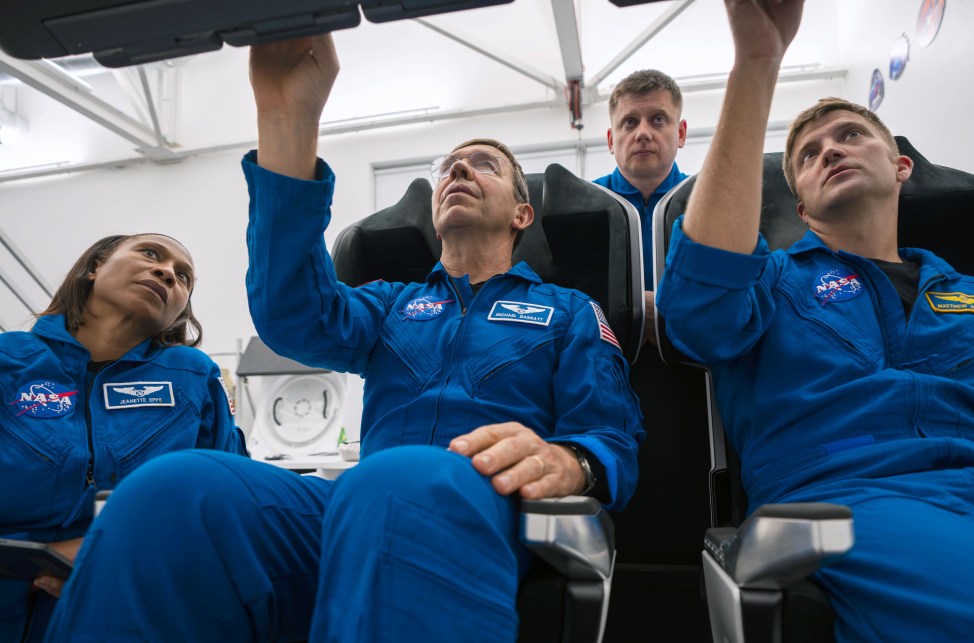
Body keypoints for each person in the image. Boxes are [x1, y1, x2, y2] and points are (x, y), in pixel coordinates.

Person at [44, 33, 644, 643]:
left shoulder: (568, 311)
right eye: (447, 168)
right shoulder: (392, 303)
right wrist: (288, 120)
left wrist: (570, 460)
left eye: (483, 164)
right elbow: (291, 314)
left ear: (522, 215)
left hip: (488, 512)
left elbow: (610, 436)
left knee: (402, 479)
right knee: (170, 489)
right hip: (360, 504)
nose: (458, 169)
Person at [658, 0, 974, 640]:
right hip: (846, 499)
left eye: (851, 135)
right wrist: (758, 61)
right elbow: (698, 316)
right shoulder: (770, 280)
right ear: (798, 204)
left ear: (900, 167)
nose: (830, 150)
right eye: (808, 153)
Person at [0, 234, 247, 642]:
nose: (168, 272)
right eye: (150, 254)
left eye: (183, 277)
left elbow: (227, 500)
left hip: (128, 595)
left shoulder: (193, 376)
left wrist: (103, 547)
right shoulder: (9, 360)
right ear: (95, 266)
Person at [594, 68, 688, 343]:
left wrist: (658, 306)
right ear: (612, 140)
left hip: (697, 368)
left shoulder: (710, 204)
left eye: (658, 119)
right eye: (630, 122)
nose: (642, 133)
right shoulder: (578, 206)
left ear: (680, 134)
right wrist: (635, 306)